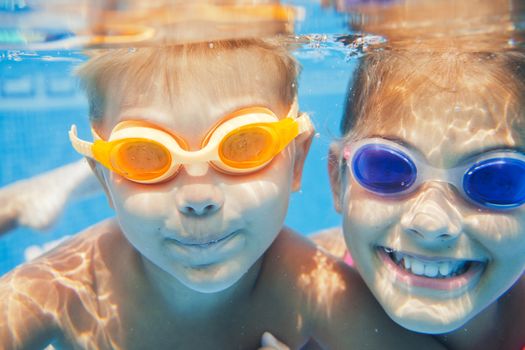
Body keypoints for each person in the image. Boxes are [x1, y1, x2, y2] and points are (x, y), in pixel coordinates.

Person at [0, 39, 446, 349]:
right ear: (104, 181)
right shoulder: (64, 287)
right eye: (145, 155)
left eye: (243, 145)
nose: (199, 196)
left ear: (296, 161)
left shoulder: (307, 283)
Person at [318, 46, 525, 349]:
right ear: (339, 179)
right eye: (388, 168)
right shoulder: (292, 305)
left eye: (495, 181)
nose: (431, 223)